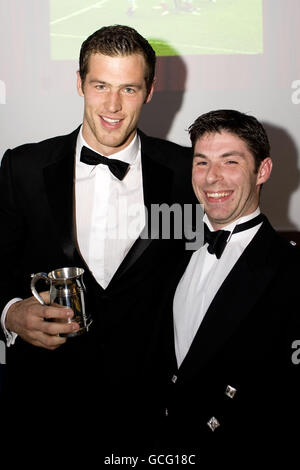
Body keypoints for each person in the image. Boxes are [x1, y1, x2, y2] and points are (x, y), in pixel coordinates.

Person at [0, 25, 195, 455]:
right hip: (41, 407)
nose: (112, 105)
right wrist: (11, 314)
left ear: (149, 91)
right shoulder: (24, 168)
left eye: (128, 88)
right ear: (79, 83)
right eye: (100, 85)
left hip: (148, 412)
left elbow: (197, 271)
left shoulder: (184, 173)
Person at [154, 109, 300, 464]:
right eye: (201, 163)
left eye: (230, 161)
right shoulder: (169, 249)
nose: (211, 178)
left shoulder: (292, 270)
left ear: (262, 170)